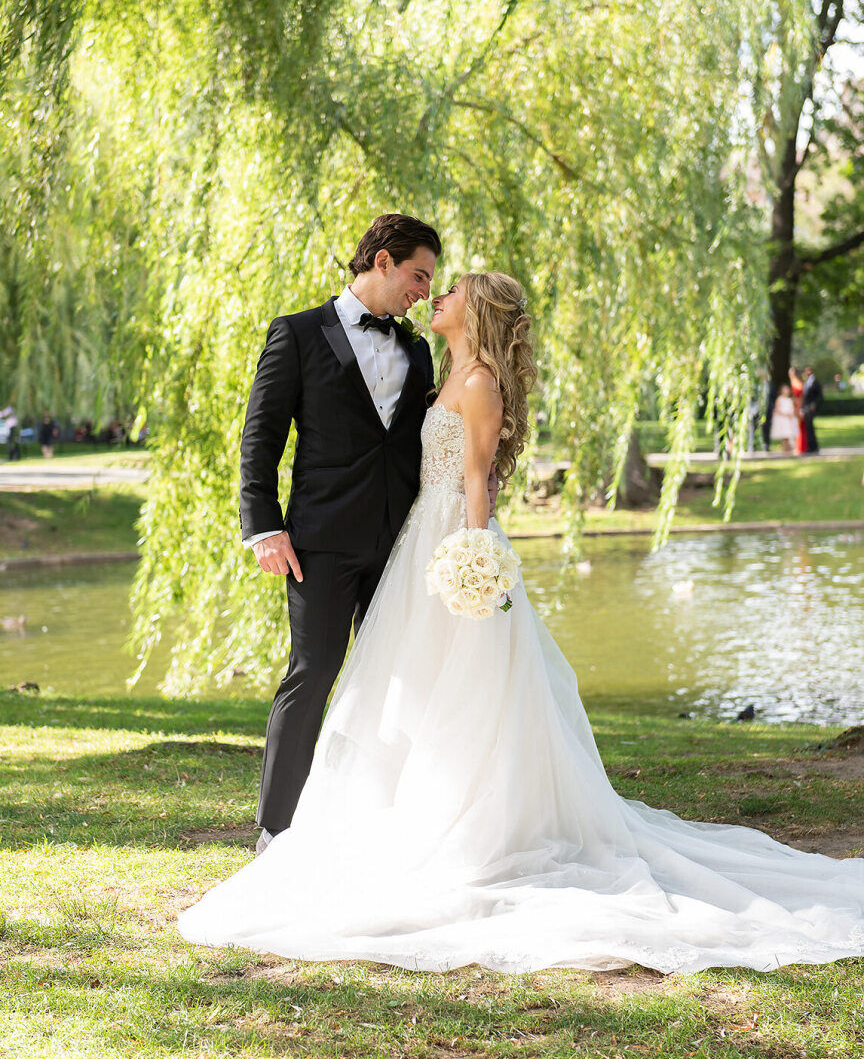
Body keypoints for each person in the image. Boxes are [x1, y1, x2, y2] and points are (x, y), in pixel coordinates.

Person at [177, 270, 864, 975]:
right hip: (417, 538)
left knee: (466, 689)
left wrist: (473, 557)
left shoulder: (473, 382)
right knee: (403, 686)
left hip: (453, 540)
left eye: (449, 291)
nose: (434, 297)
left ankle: (473, 830)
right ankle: (371, 816)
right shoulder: (441, 366)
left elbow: (476, 477)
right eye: (425, 281)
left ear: (476, 311)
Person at [236, 214, 494, 855]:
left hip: (401, 547)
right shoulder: (295, 334)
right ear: (381, 261)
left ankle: (393, 825)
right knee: (313, 672)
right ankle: (275, 832)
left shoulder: (418, 349)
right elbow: (260, 440)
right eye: (418, 274)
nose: (423, 290)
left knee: (401, 681)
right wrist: (265, 527)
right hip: (317, 545)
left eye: (431, 280)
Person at [770, 384, 798, 454]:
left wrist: (792, 414)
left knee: (789, 435)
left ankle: (789, 450)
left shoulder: (789, 399)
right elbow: (777, 409)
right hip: (783, 419)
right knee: (784, 435)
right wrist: (786, 414)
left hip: (789, 419)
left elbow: (792, 408)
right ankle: (785, 450)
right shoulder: (779, 399)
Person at [801, 365, 823, 454]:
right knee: (808, 427)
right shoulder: (806, 382)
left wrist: (814, 405)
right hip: (806, 408)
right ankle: (811, 446)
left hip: (811, 408)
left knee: (810, 427)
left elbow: (820, 396)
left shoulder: (815, 382)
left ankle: (813, 446)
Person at [788, 367, 808, 456]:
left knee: (800, 427)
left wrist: (800, 409)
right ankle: (799, 447)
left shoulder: (799, 383)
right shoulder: (794, 382)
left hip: (799, 407)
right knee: (797, 427)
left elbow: (800, 397)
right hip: (795, 406)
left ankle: (801, 447)